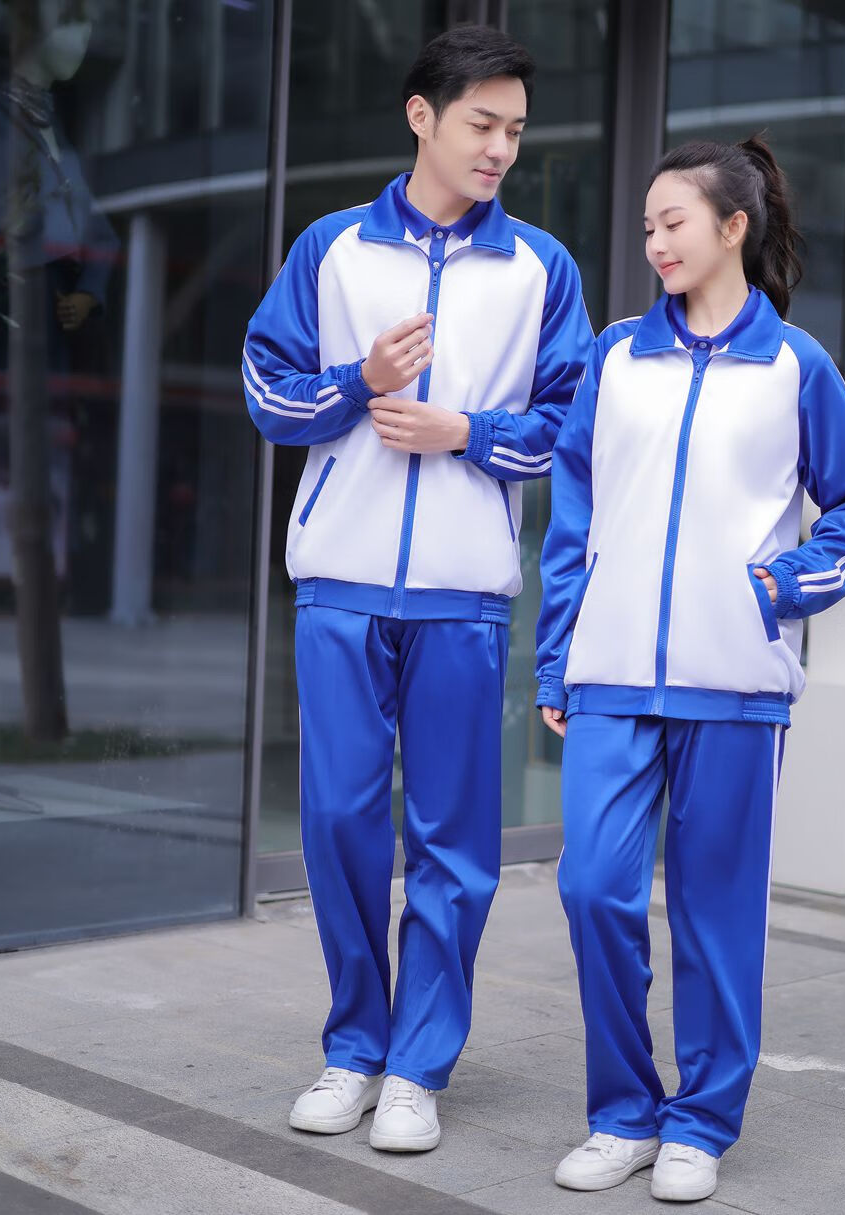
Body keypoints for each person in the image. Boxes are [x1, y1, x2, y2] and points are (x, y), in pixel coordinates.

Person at [242, 25, 592, 1154]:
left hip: (463, 596)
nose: (501, 149)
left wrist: (465, 432)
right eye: (484, 124)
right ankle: (354, 1046)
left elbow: (571, 425)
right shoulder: (333, 250)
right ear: (422, 117)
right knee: (340, 823)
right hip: (339, 586)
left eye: (516, 131)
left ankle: (416, 1068)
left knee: (452, 842)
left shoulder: (540, 268)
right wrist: (359, 382)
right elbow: (267, 391)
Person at [535, 136, 845, 1202]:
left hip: (736, 686)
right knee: (592, 888)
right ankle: (622, 1113)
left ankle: (699, 1122)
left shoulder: (795, 367)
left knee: (715, 914)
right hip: (610, 677)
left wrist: (780, 587)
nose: (654, 242)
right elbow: (572, 520)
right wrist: (557, 661)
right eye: (647, 226)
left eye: (673, 223)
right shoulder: (615, 358)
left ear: (733, 228)